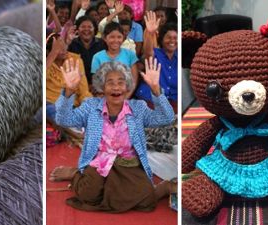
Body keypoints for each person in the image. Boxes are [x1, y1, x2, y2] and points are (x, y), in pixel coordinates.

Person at [49, 58, 175, 212]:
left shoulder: (138, 108)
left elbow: (167, 118)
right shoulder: (91, 106)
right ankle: (75, 174)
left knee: (147, 199)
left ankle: (164, 187)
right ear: (102, 87)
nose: (116, 87)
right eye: (110, 83)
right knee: (87, 196)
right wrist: (68, 91)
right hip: (98, 163)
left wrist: (155, 89)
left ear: (127, 86)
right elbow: (63, 119)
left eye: (121, 82)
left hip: (129, 165)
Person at [135, 11, 177, 112]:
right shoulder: (156, 53)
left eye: (175, 38)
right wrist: (150, 33)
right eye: (168, 37)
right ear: (161, 40)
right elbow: (148, 51)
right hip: (150, 98)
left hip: (172, 100)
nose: (172, 41)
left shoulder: (180, 56)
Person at [46, 34, 92, 122]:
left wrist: (88, 105)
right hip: (51, 104)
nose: (63, 50)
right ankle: (74, 133)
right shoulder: (46, 62)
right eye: (59, 48)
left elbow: (83, 89)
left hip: (72, 104)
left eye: (64, 46)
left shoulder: (75, 60)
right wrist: (53, 54)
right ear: (48, 51)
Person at [91, 22, 138, 97]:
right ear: (105, 38)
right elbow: (97, 84)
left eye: (119, 37)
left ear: (123, 38)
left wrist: (125, 98)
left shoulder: (130, 55)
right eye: (112, 37)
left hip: (126, 96)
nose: (115, 40)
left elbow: (134, 81)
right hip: (104, 98)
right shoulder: (97, 57)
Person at [68, 16, 106, 86]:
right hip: (76, 83)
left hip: (98, 84)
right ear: (77, 29)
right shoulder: (71, 44)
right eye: (83, 27)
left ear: (94, 29)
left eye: (89, 27)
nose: (86, 29)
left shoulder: (102, 44)